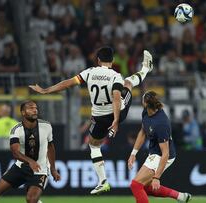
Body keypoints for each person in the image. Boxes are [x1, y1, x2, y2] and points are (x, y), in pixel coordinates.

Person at [29, 46, 153, 194]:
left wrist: (46, 90)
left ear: (98, 60)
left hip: (99, 117)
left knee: (93, 146)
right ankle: (145, 69)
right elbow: (116, 97)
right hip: (116, 112)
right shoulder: (115, 76)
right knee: (128, 83)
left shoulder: (89, 73)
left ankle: (102, 181)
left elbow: (68, 83)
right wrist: (116, 120)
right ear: (112, 61)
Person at [0, 101, 61, 203]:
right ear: (23, 112)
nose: (34, 110)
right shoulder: (16, 130)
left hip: (40, 169)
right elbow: (15, 153)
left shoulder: (46, 126)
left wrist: (53, 169)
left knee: (31, 200)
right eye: (30, 108)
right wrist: (30, 161)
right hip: (20, 167)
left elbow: (51, 147)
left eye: (35, 108)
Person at [128, 91, 191, 203]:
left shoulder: (161, 124)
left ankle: (179, 196)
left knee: (136, 185)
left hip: (162, 155)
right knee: (146, 187)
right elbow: (143, 131)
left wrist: (157, 177)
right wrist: (133, 154)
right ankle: (181, 197)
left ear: (146, 103)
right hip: (154, 152)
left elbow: (165, 153)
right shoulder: (146, 113)